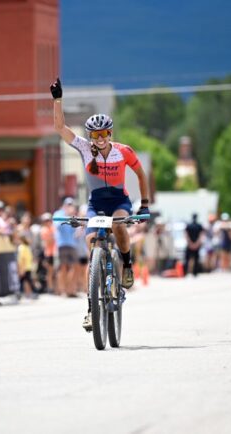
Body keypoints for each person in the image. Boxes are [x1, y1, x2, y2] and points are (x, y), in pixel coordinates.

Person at [51, 77, 150, 330]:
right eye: (96, 134)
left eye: (105, 133)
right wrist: (57, 100)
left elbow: (140, 174)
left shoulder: (123, 150)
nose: (100, 138)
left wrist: (145, 204)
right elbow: (60, 128)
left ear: (111, 133)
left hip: (119, 201)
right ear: (90, 136)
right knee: (91, 244)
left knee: (119, 227)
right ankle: (91, 308)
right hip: (95, 204)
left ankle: (127, 265)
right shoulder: (84, 148)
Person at [53, 197, 78, 297]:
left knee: (73, 267)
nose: (69, 207)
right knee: (62, 267)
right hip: (62, 244)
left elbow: (75, 230)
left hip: (72, 244)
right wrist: (66, 216)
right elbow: (57, 226)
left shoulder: (73, 215)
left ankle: (70, 289)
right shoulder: (59, 214)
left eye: (71, 205)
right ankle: (62, 289)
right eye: (68, 205)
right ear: (64, 205)